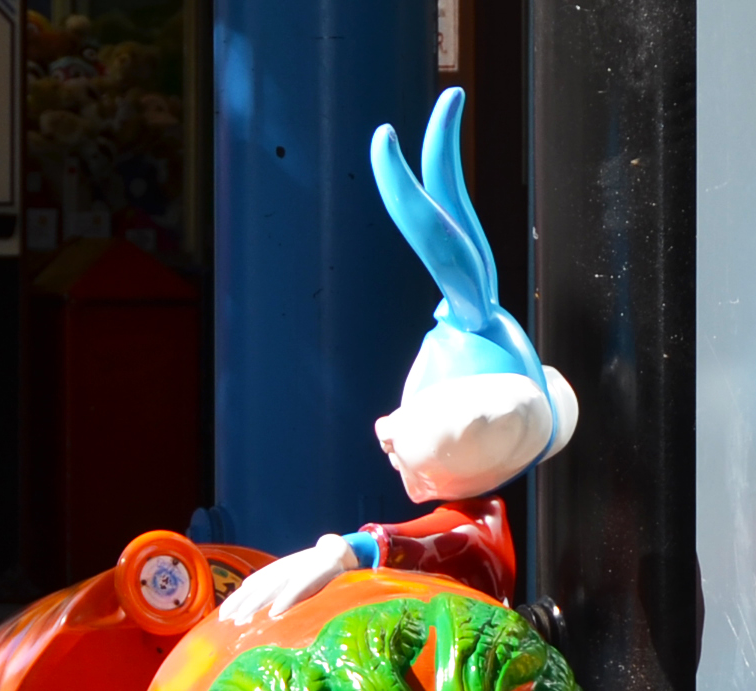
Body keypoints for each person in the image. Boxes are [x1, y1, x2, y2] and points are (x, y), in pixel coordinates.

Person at [219, 87, 576, 623]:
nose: (385, 427)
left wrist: (347, 552)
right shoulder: (481, 518)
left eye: (413, 410)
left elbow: (429, 544)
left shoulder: (480, 530)